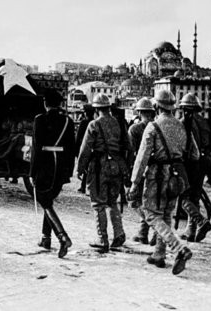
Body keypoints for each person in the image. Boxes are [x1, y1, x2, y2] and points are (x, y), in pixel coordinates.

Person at [128, 89, 197, 275]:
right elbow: (193, 154)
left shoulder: (152, 127)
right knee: (166, 213)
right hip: (176, 175)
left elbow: (142, 157)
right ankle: (159, 253)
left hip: (157, 175)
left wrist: (135, 182)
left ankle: (178, 248)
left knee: (150, 214)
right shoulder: (182, 127)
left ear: (157, 106)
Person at [77, 93, 128, 253]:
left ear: (97, 109)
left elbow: (85, 149)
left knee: (98, 203)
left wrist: (80, 169)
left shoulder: (94, 125)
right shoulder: (119, 123)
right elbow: (129, 147)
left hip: (100, 166)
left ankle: (102, 239)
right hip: (117, 165)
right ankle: (119, 233)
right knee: (112, 201)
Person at [30, 89, 76, 258]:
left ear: (45, 104)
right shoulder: (67, 121)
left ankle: (62, 237)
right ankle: (46, 238)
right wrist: (68, 171)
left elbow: (36, 148)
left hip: (45, 164)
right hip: (61, 166)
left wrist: (32, 171)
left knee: (43, 200)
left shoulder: (39, 120)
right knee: (48, 200)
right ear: (60, 104)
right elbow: (72, 148)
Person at [178, 93, 211, 243]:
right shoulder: (205, 123)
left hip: (190, 163)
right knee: (195, 196)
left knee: (184, 197)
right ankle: (190, 230)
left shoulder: (184, 122)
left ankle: (200, 222)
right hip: (204, 162)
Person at [126, 97, 156, 244]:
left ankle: (153, 227)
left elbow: (131, 152)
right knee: (149, 201)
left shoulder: (135, 129)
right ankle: (143, 233)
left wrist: (130, 170)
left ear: (139, 112)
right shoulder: (158, 127)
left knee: (133, 201)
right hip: (156, 169)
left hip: (139, 168)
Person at [74, 104, 94, 193]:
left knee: (84, 166)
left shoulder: (84, 123)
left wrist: (76, 149)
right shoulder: (94, 122)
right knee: (88, 167)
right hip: (92, 148)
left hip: (83, 146)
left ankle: (83, 186)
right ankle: (83, 185)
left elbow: (78, 137)